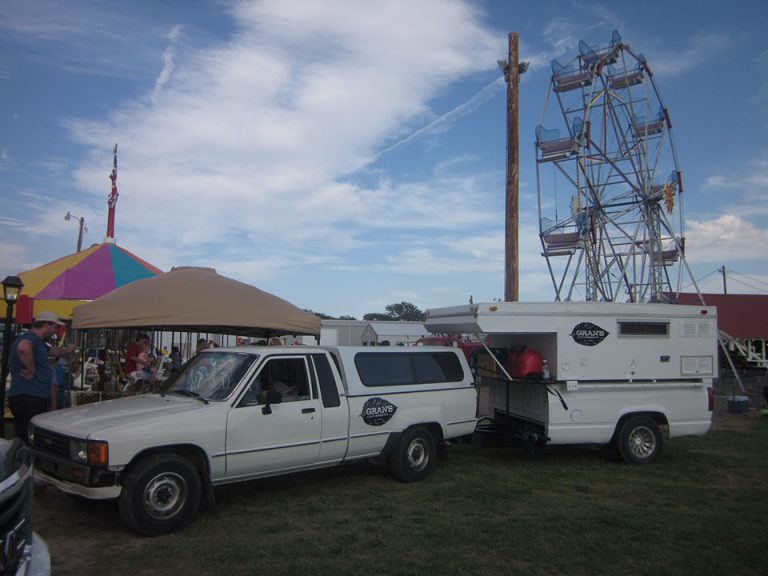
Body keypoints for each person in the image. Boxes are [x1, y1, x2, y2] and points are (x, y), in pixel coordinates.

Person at [8, 311, 74, 443]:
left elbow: (53, 351)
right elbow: (23, 348)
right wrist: (32, 370)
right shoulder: (30, 339)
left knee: (27, 433)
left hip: (30, 395)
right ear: (46, 325)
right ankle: (27, 460)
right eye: (55, 327)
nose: (56, 331)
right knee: (31, 434)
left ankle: (26, 459)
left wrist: (66, 350)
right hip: (31, 395)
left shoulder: (39, 342)